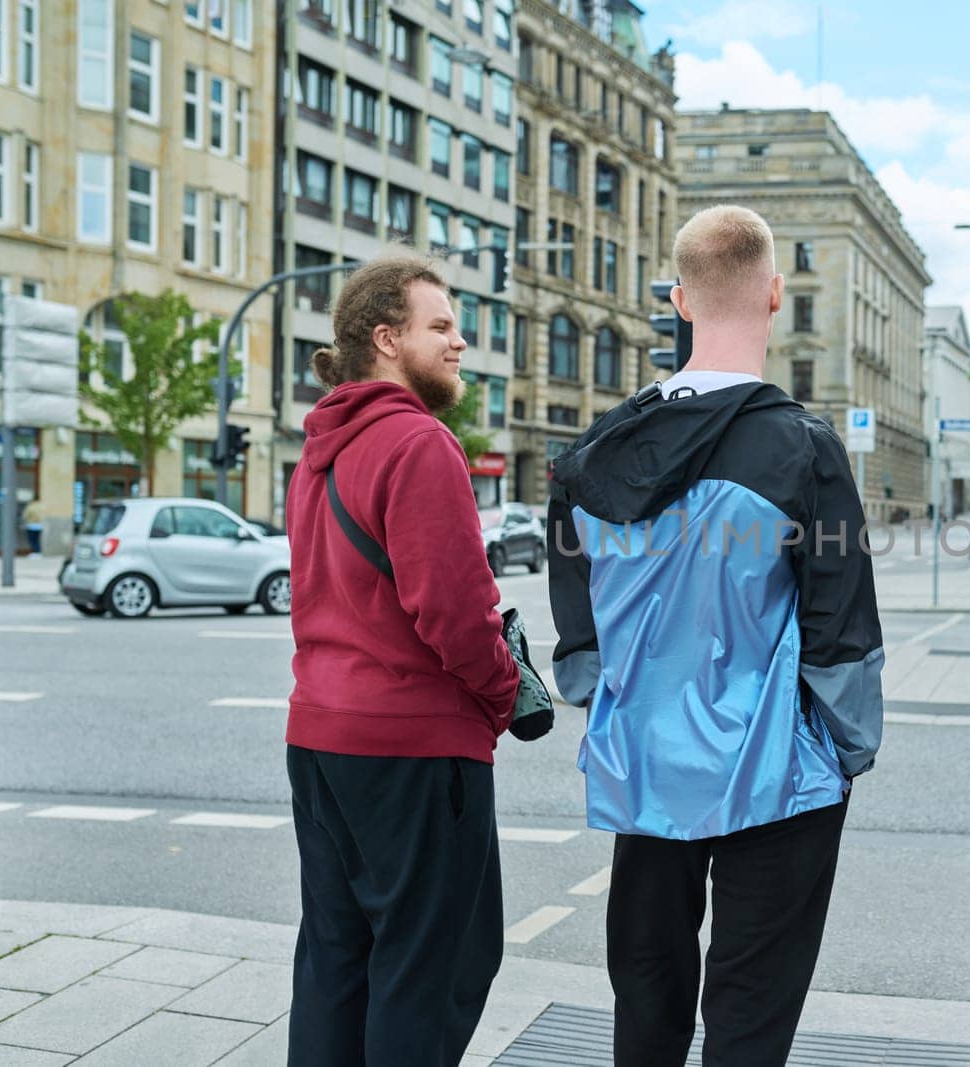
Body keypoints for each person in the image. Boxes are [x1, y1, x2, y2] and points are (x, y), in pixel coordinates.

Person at [548, 205, 884, 1067]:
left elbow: (579, 637)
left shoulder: (594, 454)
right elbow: (841, 635)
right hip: (775, 772)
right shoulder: (804, 450)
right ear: (774, 293)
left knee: (647, 987)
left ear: (678, 298)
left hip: (648, 764)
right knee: (751, 1009)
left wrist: (617, 703)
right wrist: (849, 752)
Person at [283, 257, 524, 1067]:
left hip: (320, 741)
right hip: (413, 750)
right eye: (440, 326)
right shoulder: (419, 442)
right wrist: (503, 691)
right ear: (387, 340)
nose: (460, 341)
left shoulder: (319, 449)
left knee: (335, 961)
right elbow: (454, 613)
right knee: (434, 967)